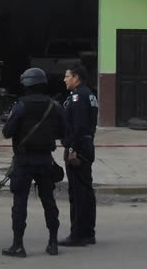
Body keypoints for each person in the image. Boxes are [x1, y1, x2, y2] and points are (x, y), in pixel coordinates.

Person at [1, 68, 67, 258]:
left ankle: (18, 246)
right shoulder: (54, 106)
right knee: (49, 201)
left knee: (20, 203)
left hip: (24, 161)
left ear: (26, 84)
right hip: (46, 159)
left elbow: (7, 132)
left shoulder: (21, 106)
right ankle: (53, 243)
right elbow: (64, 132)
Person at [59, 65, 98, 247]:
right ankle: (88, 232)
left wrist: (72, 149)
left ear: (76, 77)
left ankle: (78, 235)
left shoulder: (78, 96)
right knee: (86, 190)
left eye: (67, 76)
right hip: (86, 145)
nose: (64, 80)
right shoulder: (89, 94)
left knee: (78, 192)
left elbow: (79, 126)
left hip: (78, 148)